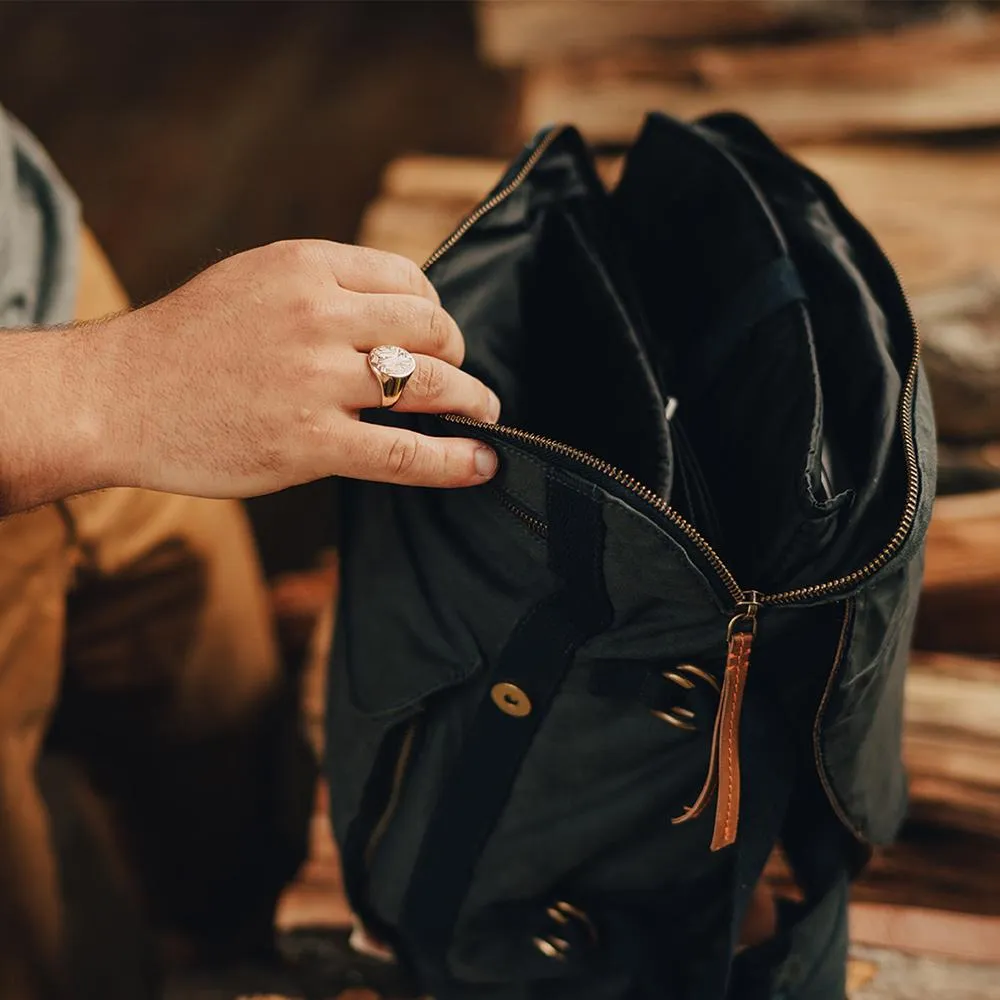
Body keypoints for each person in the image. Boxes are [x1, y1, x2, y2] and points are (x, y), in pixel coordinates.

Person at [0, 106, 499, 999]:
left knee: (215, 722)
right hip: (75, 386)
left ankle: (227, 948)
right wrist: (113, 384)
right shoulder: (116, 381)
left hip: (39, 287)